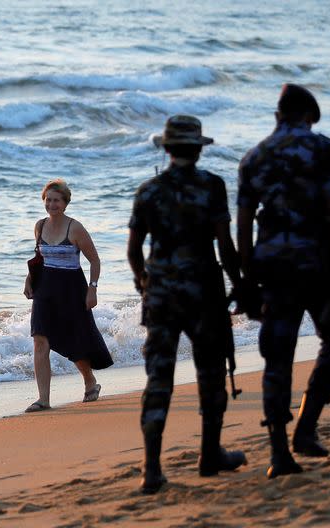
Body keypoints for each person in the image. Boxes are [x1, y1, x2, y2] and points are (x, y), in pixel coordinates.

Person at [237, 84, 330, 478]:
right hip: (320, 264)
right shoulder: (322, 147)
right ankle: (306, 427)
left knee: (277, 356)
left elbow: (243, 225)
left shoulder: (253, 157)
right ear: (308, 115)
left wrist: (247, 277)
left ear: (278, 115)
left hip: (272, 267)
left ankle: (280, 454)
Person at [128, 115, 247, 494]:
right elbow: (224, 246)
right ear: (198, 149)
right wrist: (241, 284)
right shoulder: (212, 186)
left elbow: (133, 250)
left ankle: (151, 469)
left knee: (158, 378)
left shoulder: (148, 191)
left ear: (165, 149)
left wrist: (143, 282)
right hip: (204, 292)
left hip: (162, 294)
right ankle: (210, 455)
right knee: (211, 373)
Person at [23, 179, 113, 412]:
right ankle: (43, 399)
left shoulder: (75, 228)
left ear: (65, 203)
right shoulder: (39, 226)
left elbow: (94, 260)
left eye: (56, 200)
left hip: (72, 288)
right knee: (40, 339)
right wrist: (28, 279)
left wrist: (92, 288)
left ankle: (89, 380)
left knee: (74, 339)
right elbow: (38, 256)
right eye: (48, 200)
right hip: (44, 288)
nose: (52, 204)